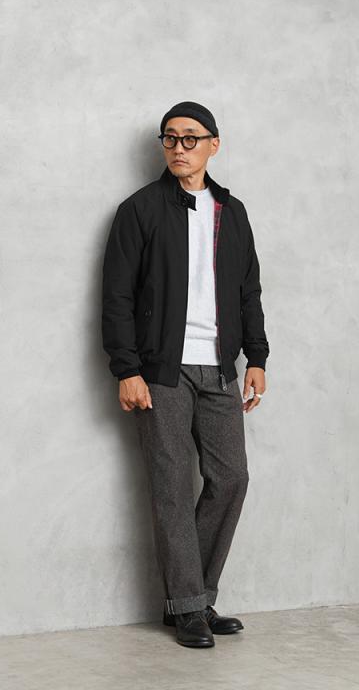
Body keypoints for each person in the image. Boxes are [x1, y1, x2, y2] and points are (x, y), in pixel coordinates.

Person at [101, 101, 269, 648]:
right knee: (172, 487)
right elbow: (117, 297)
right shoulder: (139, 210)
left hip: (220, 366)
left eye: (190, 138)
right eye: (170, 138)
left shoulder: (232, 212)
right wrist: (127, 369)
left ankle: (191, 599)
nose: (179, 148)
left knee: (231, 479)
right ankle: (192, 606)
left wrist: (257, 358)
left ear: (213, 144)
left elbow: (248, 290)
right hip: (161, 371)